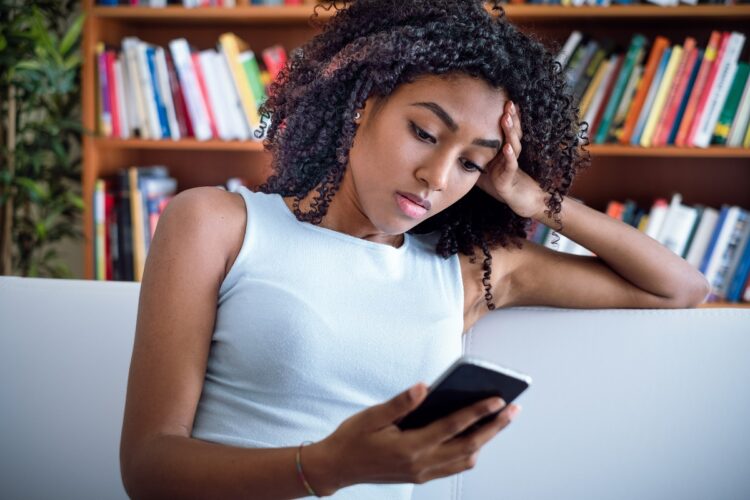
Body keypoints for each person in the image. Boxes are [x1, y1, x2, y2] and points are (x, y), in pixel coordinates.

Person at [119, 1, 710, 498]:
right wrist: (324, 467)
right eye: (425, 133)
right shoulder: (217, 225)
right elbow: (149, 468)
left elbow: (681, 287)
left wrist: (533, 199)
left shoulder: (465, 272)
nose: (436, 175)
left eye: (472, 162)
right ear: (363, 104)